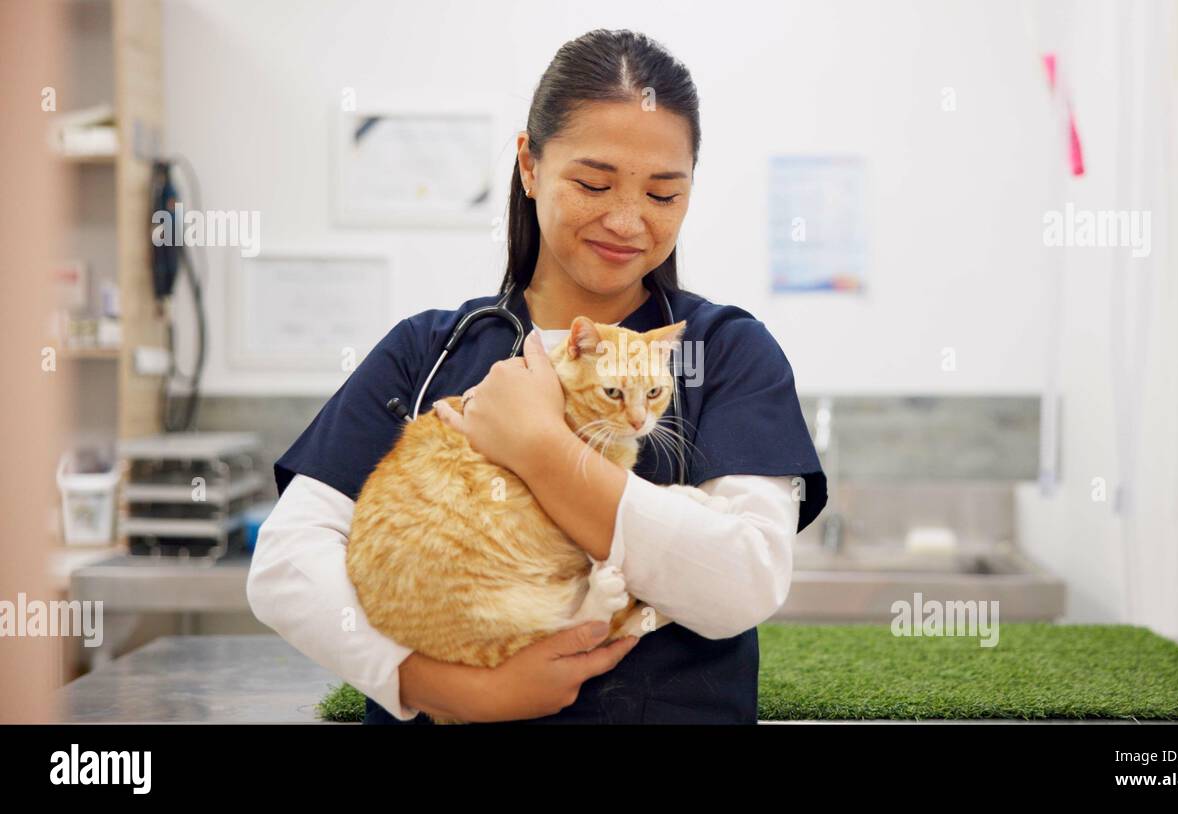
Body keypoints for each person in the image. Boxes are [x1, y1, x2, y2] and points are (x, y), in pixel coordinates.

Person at [246, 28, 826, 725]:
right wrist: (434, 685)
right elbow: (285, 566)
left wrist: (537, 447)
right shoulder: (427, 350)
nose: (626, 219)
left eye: (663, 194)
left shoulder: (724, 352)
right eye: (592, 182)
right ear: (529, 165)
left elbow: (744, 580)